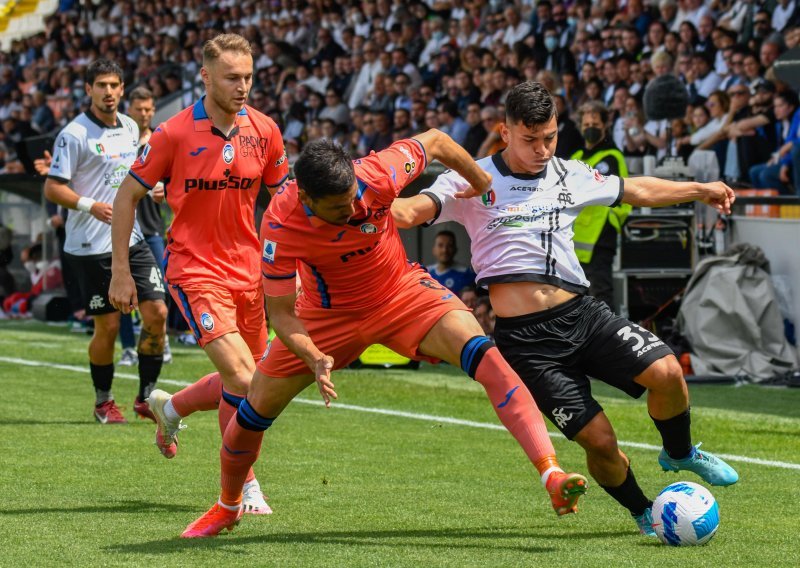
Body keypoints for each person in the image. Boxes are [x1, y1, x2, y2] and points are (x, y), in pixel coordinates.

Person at [180, 131, 588, 538]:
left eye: (354, 197)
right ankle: (228, 505)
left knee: (489, 358)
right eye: (339, 209)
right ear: (306, 198)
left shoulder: (377, 172)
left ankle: (550, 473)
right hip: (327, 317)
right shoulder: (281, 225)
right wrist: (313, 356)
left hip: (400, 293)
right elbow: (282, 315)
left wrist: (481, 183)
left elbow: (438, 142)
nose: (355, 208)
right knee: (252, 412)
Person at [391, 81, 739, 536]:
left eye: (549, 137)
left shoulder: (569, 173)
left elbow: (637, 190)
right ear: (505, 131)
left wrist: (700, 189)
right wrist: (360, 200)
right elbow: (411, 211)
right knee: (601, 442)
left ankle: (680, 452)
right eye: (529, 139)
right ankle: (644, 513)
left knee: (670, 373)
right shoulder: (471, 178)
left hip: (584, 316)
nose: (541, 149)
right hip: (528, 344)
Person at [109, 34, 288, 515]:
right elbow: (125, 197)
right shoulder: (172, 133)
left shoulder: (266, 131)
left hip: (250, 275)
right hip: (194, 270)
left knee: (248, 381)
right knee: (244, 378)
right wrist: (121, 271)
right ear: (205, 77)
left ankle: (172, 407)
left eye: (249, 76)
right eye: (232, 77)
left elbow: (286, 202)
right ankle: (244, 485)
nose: (243, 86)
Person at [43, 59, 168, 424]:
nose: (108, 92)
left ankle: (146, 397)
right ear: (88, 89)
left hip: (130, 238)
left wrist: (153, 189)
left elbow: (131, 176)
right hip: (90, 247)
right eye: (101, 85)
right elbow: (52, 186)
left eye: (114, 85)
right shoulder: (74, 134)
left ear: (122, 89)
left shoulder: (130, 127)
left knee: (157, 313)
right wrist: (88, 204)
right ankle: (103, 401)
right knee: (109, 326)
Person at [117, 87, 173, 367]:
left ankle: (161, 343)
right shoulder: (121, 141)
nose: (144, 114)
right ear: (130, 109)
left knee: (160, 287)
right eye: (139, 109)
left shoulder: (161, 141)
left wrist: (166, 188)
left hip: (151, 227)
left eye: (149, 109)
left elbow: (176, 181)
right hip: (123, 230)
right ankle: (128, 347)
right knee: (122, 292)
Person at [571, 101, 631, 309]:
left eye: (595, 123)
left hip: (601, 235)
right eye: (586, 124)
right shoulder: (576, 158)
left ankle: (609, 339)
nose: (590, 128)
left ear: (605, 125)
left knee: (601, 294)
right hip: (576, 237)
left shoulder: (611, 157)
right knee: (577, 297)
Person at [425, 230, 475, 295]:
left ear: (455, 249)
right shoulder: (425, 273)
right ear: (434, 250)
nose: (445, 250)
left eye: (449, 245)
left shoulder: (467, 274)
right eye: (440, 245)